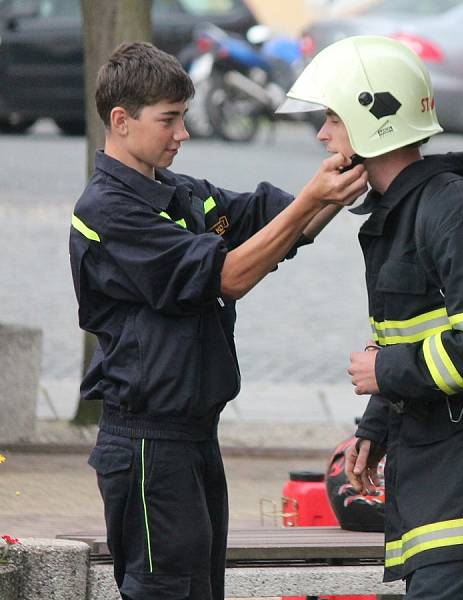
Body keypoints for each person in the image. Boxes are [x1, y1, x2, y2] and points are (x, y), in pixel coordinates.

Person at [68, 42, 367, 600]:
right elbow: (227, 276)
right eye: (170, 120)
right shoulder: (107, 211)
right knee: (165, 591)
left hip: (194, 438)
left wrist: (353, 168)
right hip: (147, 446)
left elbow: (277, 225)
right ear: (120, 121)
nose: (183, 133)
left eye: (183, 117)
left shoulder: (177, 193)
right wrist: (312, 199)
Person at [278, 35, 463, 599]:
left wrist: (385, 373)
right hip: (447, 492)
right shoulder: (410, 214)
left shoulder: (459, 213)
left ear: (370, 118)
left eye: (332, 117)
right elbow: (416, 334)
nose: (323, 134)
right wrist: (376, 425)